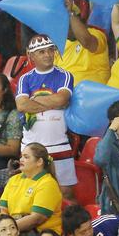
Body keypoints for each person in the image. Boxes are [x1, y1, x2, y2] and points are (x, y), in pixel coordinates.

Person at [11, 35, 77, 195]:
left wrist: (33, 100)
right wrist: (52, 102)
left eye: (50, 50)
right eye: (41, 52)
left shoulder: (65, 75)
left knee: (66, 194)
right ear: (31, 55)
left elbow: (61, 99)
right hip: (30, 147)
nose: (47, 54)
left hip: (59, 144)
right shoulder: (24, 79)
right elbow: (22, 105)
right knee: (31, 192)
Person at [0, 142, 64, 234]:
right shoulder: (14, 179)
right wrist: (3, 226)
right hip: (13, 230)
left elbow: (36, 219)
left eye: (26, 157)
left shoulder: (48, 184)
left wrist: (7, 229)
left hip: (41, 235)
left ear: (39, 162)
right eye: (21, 156)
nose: (21, 160)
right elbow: (1, 208)